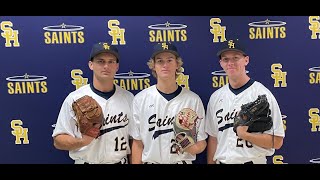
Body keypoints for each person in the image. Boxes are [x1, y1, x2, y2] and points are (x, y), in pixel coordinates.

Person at [205, 38, 285, 164]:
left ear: (246, 60)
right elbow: (214, 138)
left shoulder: (262, 94)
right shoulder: (216, 97)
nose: (230, 62)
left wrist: (246, 135)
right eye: (226, 59)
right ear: (221, 63)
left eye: (236, 58)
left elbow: (277, 141)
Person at [52, 42, 134, 164]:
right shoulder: (75, 98)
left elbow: (134, 140)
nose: (106, 66)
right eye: (100, 61)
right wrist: (82, 141)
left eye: (111, 61)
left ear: (117, 66)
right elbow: (58, 141)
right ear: (91, 65)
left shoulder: (129, 98)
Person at [129, 42, 207, 164]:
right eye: (160, 61)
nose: (165, 65)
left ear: (177, 64)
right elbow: (138, 143)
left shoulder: (192, 100)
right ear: (153, 65)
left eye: (170, 60)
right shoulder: (140, 99)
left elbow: (202, 141)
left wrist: (192, 147)